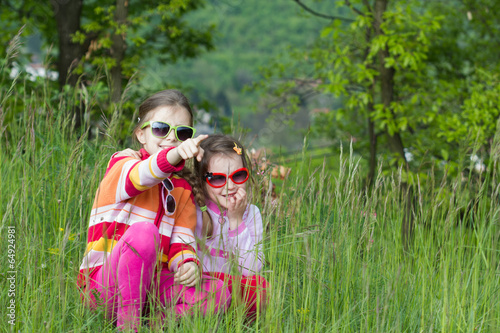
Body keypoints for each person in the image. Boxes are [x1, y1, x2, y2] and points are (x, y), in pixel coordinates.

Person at [77, 90, 230, 331]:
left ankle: (155, 325)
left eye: (182, 133)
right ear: (140, 134)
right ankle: (128, 327)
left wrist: (188, 264)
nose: (171, 138)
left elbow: (182, 242)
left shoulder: (181, 190)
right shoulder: (123, 164)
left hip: (150, 289)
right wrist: (177, 154)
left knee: (218, 291)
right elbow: (144, 175)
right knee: (144, 233)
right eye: (161, 128)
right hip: (104, 288)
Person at [193, 134, 268, 318]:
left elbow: (252, 270)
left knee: (261, 287)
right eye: (218, 179)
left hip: (234, 291)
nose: (230, 185)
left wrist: (236, 221)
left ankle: (235, 320)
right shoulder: (194, 210)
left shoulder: (251, 213)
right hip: (203, 288)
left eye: (238, 175)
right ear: (202, 181)